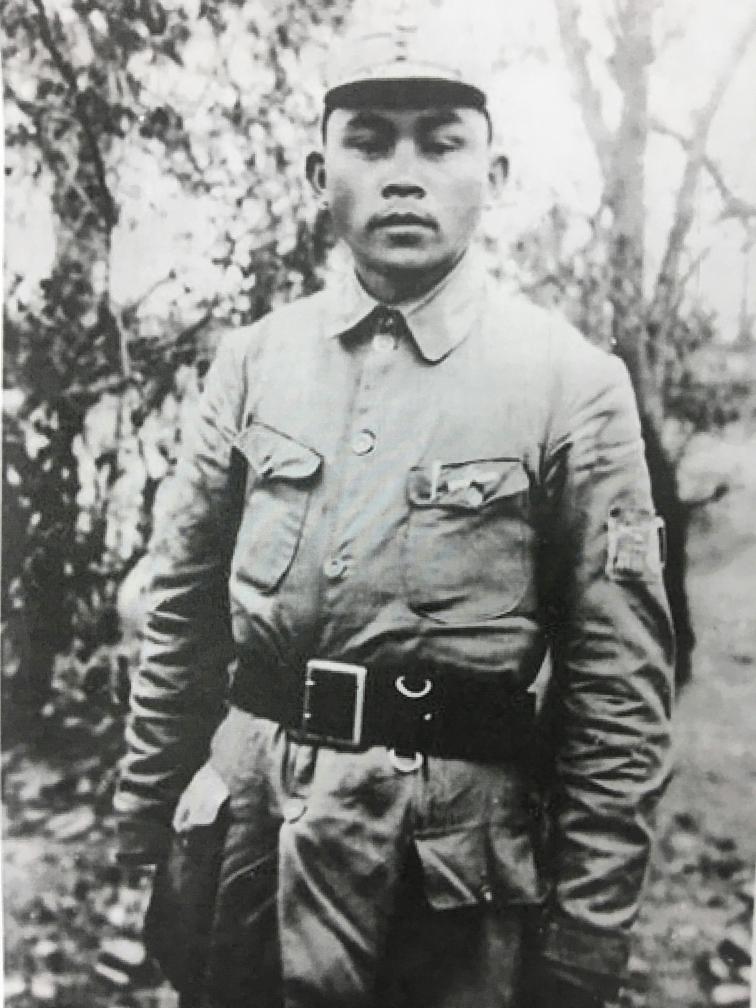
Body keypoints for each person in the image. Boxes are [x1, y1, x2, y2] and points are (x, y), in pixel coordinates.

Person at [114, 4, 674, 1007]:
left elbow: (618, 692)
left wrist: (588, 933)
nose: (403, 174)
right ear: (315, 172)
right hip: (250, 846)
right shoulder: (252, 364)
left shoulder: (570, 383)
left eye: (441, 143)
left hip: (445, 882)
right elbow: (182, 619)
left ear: (495, 174)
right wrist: (148, 823)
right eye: (369, 143)